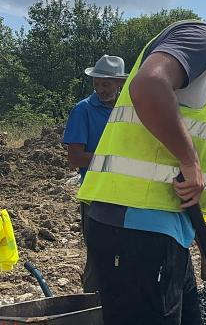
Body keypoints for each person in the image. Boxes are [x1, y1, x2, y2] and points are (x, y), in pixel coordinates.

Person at [77, 0, 206, 325]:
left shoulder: (203, 66)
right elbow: (148, 85)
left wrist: (205, 248)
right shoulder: (201, 38)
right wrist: (190, 159)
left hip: (161, 228)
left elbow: (179, 180)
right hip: (135, 228)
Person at [62, 55, 128, 292]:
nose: (100, 89)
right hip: (97, 196)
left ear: (119, 83)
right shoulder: (83, 110)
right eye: (96, 83)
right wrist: (113, 162)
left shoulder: (129, 110)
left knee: (130, 255)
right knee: (99, 258)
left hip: (128, 194)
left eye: (106, 84)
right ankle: (91, 305)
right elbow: (75, 158)